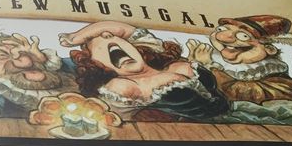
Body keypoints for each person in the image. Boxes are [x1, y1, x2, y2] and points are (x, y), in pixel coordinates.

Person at [59, 20, 228, 120]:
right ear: (96, 65)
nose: (108, 37)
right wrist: (78, 40)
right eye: (99, 49)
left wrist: (78, 36)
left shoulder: (171, 66)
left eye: (114, 39)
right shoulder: (122, 86)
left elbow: (126, 30)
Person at [190, 15, 292, 104]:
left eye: (243, 36)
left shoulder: (282, 83)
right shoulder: (222, 65)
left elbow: (239, 94)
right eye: (221, 30)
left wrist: (209, 67)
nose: (223, 38)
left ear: (269, 49)